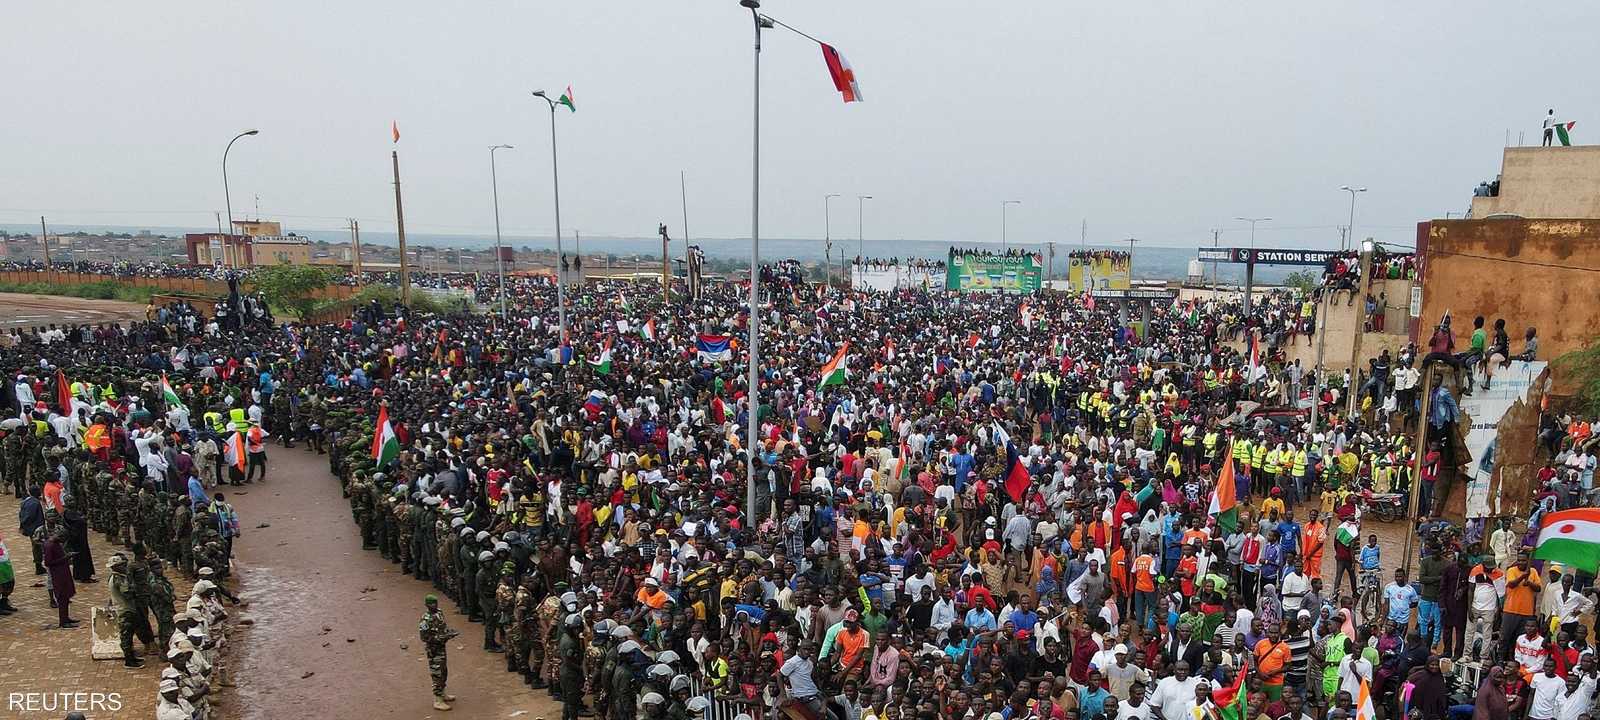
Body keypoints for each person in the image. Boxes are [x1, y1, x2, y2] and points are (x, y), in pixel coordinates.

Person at [420, 594, 460, 711]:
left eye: (435, 603)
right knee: (437, 674)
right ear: (426, 605)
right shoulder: (425, 619)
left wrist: (449, 633)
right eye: (431, 603)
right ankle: (438, 700)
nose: (434, 605)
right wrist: (442, 637)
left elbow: (443, 627)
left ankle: (443, 693)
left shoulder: (439, 613)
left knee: (444, 671)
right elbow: (425, 638)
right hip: (433, 650)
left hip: (441, 648)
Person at [42, 528, 78, 628]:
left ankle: (65, 617)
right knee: (62, 596)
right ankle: (63, 621)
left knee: (66, 596)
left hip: (63, 571)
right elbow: (48, 563)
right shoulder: (50, 545)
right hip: (58, 574)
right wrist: (65, 558)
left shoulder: (55, 543)